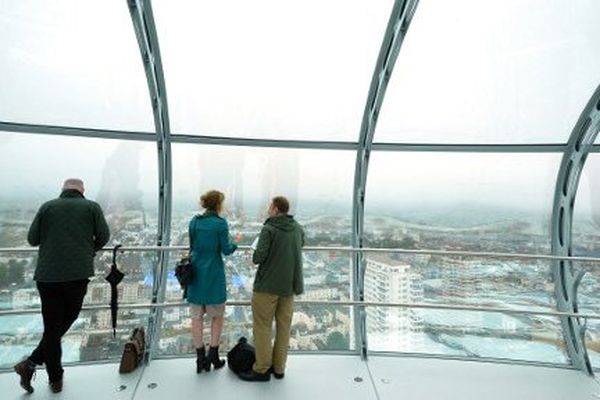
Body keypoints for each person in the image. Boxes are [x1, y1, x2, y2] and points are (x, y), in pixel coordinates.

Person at [13, 179, 110, 394]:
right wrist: (88, 250)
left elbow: (32, 239)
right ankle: (35, 368)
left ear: (63, 190)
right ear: (82, 191)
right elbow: (103, 237)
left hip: (47, 276)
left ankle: (46, 375)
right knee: (66, 320)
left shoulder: (47, 206)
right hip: (77, 274)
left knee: (52, 326)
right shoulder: (92, 207)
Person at [240, 196, 304, 382]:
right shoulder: (297, 228)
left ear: (275, 209)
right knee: (284, 328)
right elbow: (301, 244)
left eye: (270, 206)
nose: (268, 209)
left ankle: (261, 369)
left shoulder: (269, 229)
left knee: (262, 327)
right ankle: (279, 368)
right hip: (289, 286)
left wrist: (253, 254)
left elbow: (258, 257)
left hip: (267, 286)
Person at [187, 190, 237, 373]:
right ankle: (213, 355)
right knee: (216, 316)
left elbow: (192, 246)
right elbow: (226, 249)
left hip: (195, 272)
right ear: (218, 205)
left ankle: (200, 358)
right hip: (214, 273)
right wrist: (235, 244)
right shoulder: (220, 224)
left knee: (196, 316)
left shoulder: (194, 222)